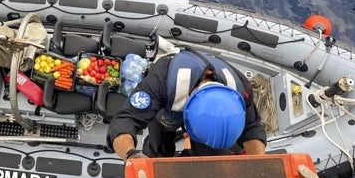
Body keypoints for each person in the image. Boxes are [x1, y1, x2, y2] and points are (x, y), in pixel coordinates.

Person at [107, 50, 267, 162]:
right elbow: (125, 120)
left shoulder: (240, 89)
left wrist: (260, 165)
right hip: (167, 113)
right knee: (159, 144)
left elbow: (251, 127)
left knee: (211, 158)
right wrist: (132, 155)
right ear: (187, 99)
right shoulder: (161, 81)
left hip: (208, 132)